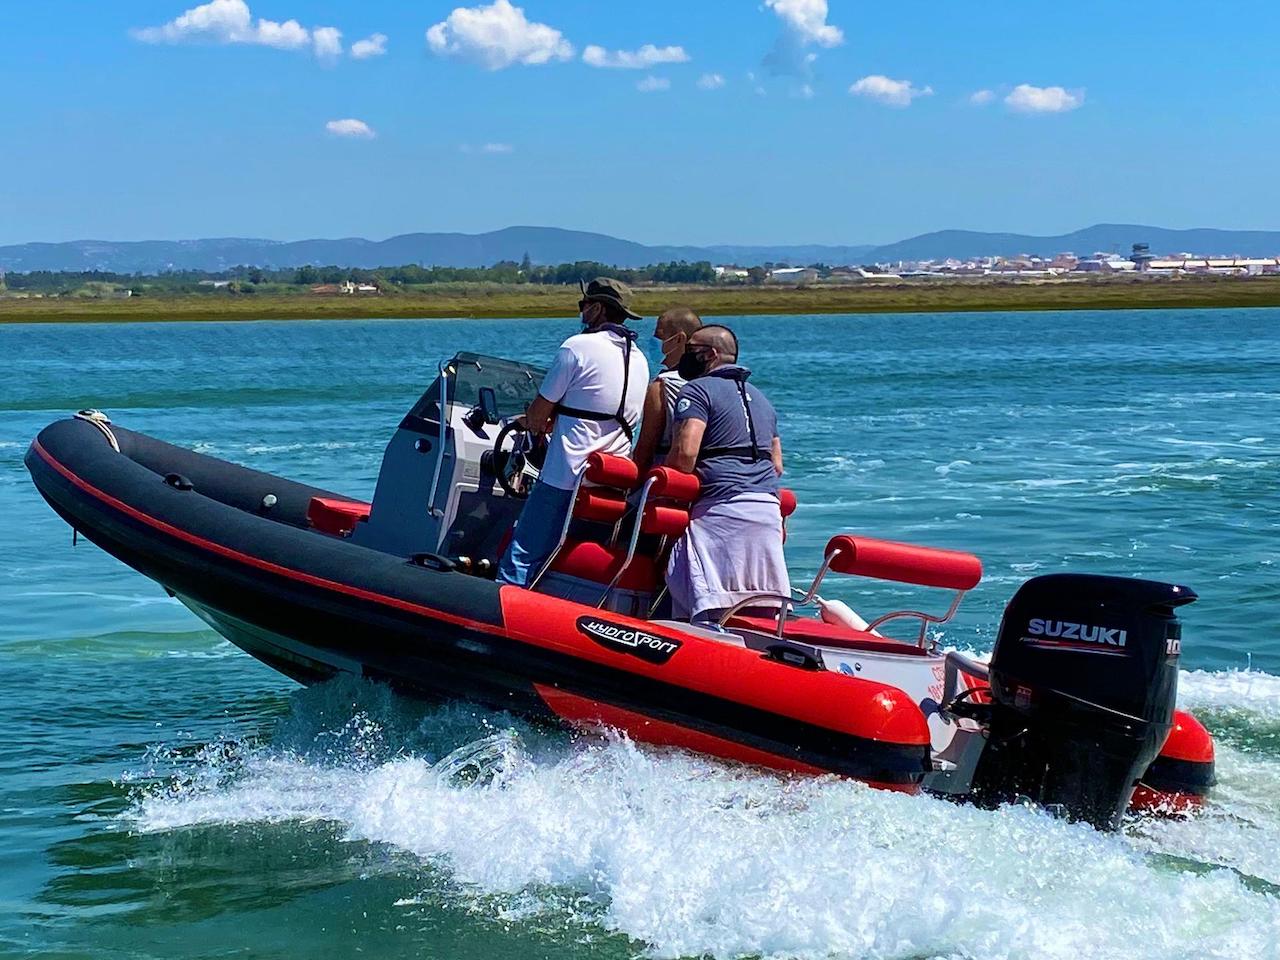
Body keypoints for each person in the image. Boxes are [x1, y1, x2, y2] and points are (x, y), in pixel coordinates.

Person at [497, 278, 650, 586]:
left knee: (523, 549)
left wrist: (531, 421)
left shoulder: (577, 346)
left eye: (584, 306)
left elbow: (538, 413)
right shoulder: (640, 359)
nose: (581, 312)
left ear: (597, 309)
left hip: (567, 471)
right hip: (610, 477)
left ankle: (501, 599)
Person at [664, 324, 788, 626]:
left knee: (703, 601)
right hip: (768, 513)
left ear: (710, 354)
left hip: (722, 513)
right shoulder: (762, 399)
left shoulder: (695, 390)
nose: (684, 357)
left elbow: (685, 455)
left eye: (691, 351)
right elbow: (777, 465)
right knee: (756, 608)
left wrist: (656, 481)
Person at [631, 305, 703, 474]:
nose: (653, 340)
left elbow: (645, 448)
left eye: (659, 335)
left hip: (665, 476)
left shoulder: (662, 386)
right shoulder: (708, 382)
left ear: (679, 339)